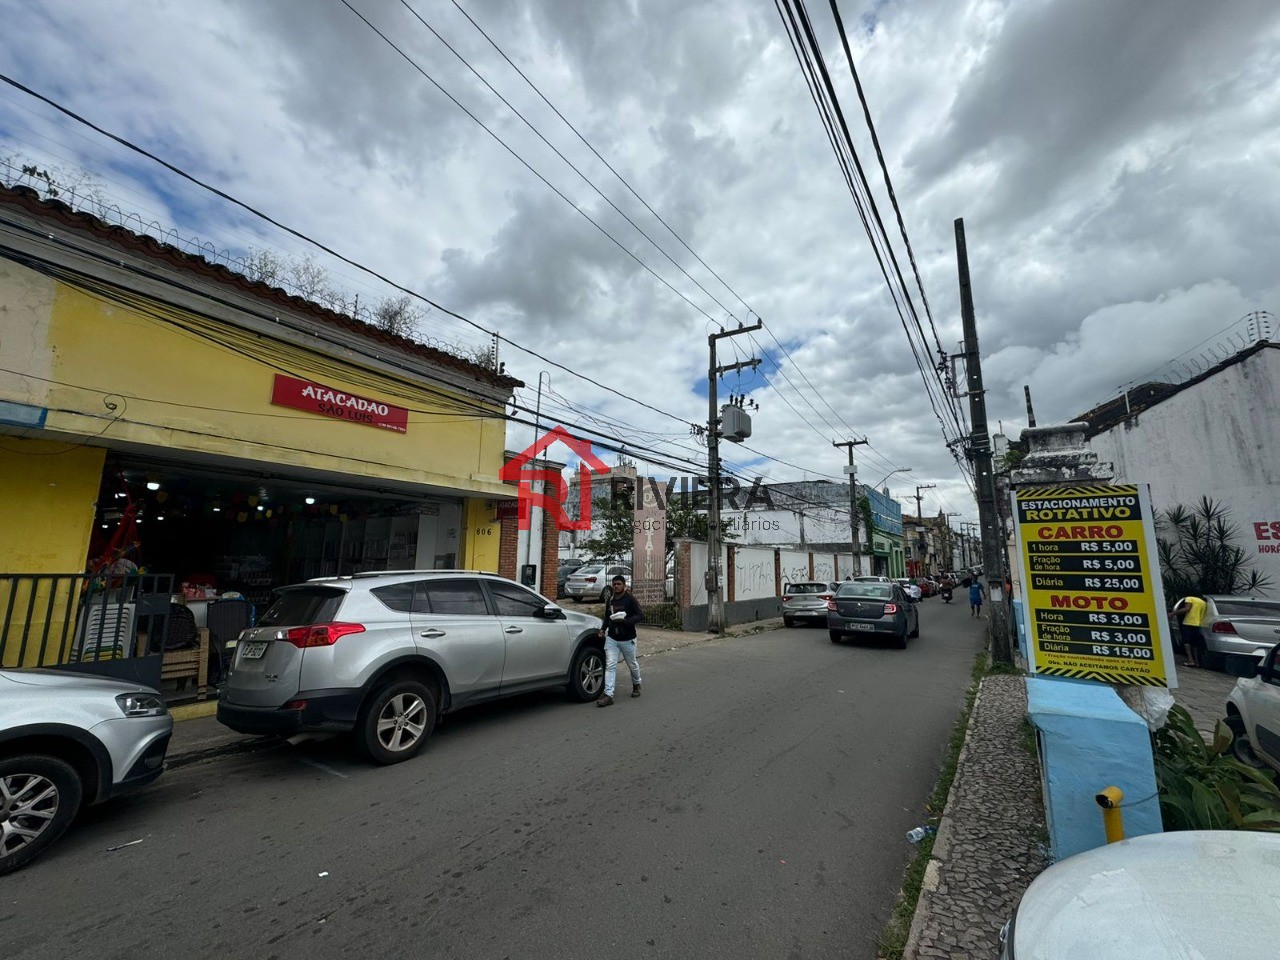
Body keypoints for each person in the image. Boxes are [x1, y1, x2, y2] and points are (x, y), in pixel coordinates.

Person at [597, 574, 643, 707]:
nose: (616, 586)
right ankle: (608, 694)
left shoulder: (630, 600)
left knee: (632, 664)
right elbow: (607, 616)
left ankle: (636, 684)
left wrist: (626, 621)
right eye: (614, 584)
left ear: (624, 585)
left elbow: (640, 615)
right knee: (610, 665)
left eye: (619, 584)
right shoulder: (610, 600)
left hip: (628, 639)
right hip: (612, 638)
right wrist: (602, 629)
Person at [1172, 595, 1206, 668]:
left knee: (1186, 642)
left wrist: (1173, 613)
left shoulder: (1189, 598)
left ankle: (1190, 660)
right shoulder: (1203, 602)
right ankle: (1197, 662)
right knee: (1194, 643)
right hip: (1198, 624)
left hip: (1188, 622)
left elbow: (1187, 609)